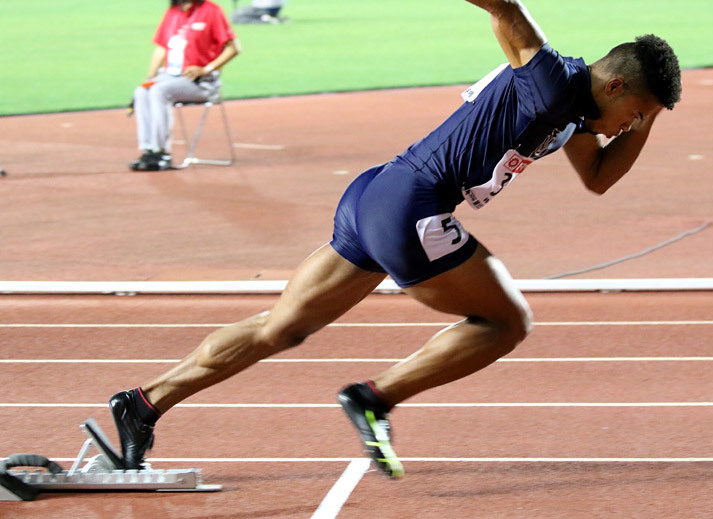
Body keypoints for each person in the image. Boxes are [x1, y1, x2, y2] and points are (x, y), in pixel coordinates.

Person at [109, 0, 681, 477]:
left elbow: (601, 178)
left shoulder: (571, 116)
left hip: (375, 197)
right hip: (413, 205)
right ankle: (373, 398)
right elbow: (503, 6)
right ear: (614, 83)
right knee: (506, 323)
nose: (629, 126)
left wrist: (652, 115)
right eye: (634, 112)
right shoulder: (551, 78)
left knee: (280, 327)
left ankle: (143, 403)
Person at [129, 0, 240, 171]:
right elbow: (162, 48)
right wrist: (149, 76)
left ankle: (161, 152)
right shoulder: (173, 12)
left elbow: (233, 48)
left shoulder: (211, 11)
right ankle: (149, 149)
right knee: (142, 91)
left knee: (159, 91)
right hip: (170, 76)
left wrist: (206, 69)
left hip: (201, 82)